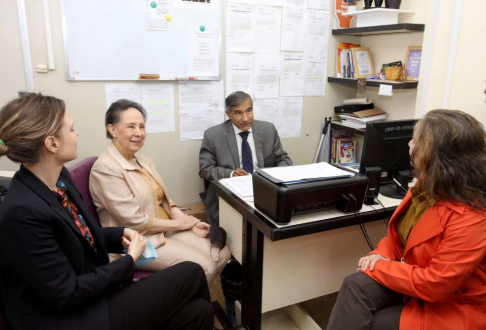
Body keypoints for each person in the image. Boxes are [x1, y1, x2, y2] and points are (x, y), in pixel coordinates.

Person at [0, 93, 213, 330]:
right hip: (68, 318)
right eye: (72, 129)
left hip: (89, 296)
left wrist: (121, 233)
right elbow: (67, 293)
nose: (77, 133)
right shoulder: (22, 212)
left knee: (199, 312)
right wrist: (129, 260)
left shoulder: (59, 178)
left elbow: (80, 235)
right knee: (192, 272)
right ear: (52, 143)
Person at [328, 109, 486, 330]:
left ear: (436, 155)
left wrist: (380, 267)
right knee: (355, 284)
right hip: (414, 279)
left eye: (416, 140)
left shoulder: (472, 215)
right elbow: (397, 238)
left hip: (453, 304)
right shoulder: (427, 186)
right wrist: (380, 254)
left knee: (379, 323)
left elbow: (437, 284)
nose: (410, 145)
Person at [89, 99, 230, 285]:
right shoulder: (106, 169)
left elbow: (165, 200)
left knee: (222, 253)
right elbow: (134, 221)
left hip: (162, 229)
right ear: (112, 130)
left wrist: (191, 223)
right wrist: (180, 224)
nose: (138, 133)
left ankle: (190, 296)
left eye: (142, 126)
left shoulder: (141, 159)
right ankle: (183, 305)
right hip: (137, 242)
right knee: (205, 267)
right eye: (131, 127)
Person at [199, 91, 292, 226]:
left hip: (265, 190)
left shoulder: (268, 129)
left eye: (249, 111)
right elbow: (205, 169)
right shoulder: (213, 135)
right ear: (228, 114)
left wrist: (273, 177)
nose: (245, 118)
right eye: (238, 113)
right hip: (232, 193)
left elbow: (284, 159)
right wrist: (230, 174)